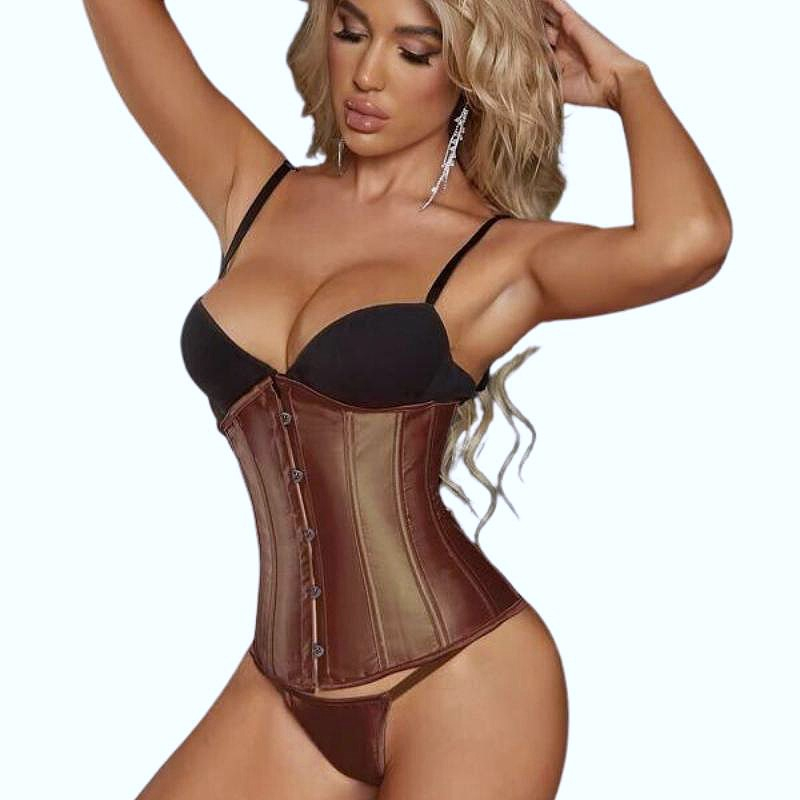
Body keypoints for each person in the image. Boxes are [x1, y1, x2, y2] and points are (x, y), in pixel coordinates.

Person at [82, 0, 732, 797]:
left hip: (462, 681)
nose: (366, 74)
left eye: (414, 52)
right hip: (281, 688)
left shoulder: (495, 258)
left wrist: (630, 83)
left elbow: (689, 242)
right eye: (350, 32)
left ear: (466, 72)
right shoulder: (249, 187)